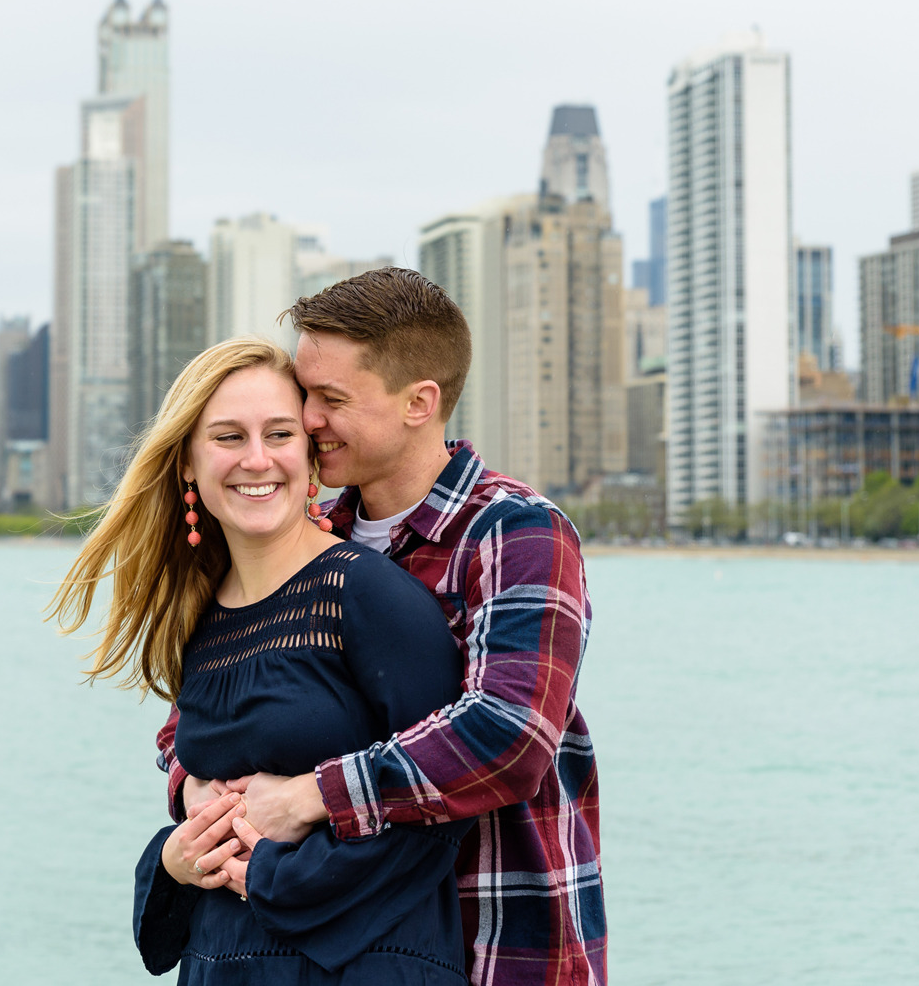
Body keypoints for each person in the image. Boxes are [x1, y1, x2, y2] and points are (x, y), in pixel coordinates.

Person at [156, 269, 607, 986]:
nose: (307, 420)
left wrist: (307, 794)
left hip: (498, 942)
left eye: (331, 399)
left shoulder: (513, 530)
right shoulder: (310, 539)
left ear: (419, 403)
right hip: (334, 949)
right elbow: (211, 708)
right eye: (305, 394)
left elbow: (510, 733)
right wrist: (199, 795)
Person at [50, 336, 475, 983]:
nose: (257, 459)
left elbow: (441, 812)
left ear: (308, 453)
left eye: (279, 432)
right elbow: (202, 807)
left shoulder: (365, 593)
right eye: (227, 436)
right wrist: (174, 859)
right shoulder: (199, 617)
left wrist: (271, 875)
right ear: (188, 462)